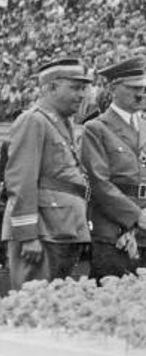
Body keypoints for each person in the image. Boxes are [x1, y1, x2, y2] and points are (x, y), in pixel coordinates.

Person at [1, 57, 93, 290]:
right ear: (51, 87)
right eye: (75, 87)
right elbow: (21, 180)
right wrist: (27, 235)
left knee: (55, 306)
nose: (82, 95)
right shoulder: (33, 120)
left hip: (61, 229)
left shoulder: (62, 122)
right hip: (41, 234)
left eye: (83, 88)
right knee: (35, 306)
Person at [80, 57, 146, 278]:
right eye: (133, 88)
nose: (140, 94)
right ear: (113, 88)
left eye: (143, 88)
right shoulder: (96, 129)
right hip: (115, 233)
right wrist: (135, 217)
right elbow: (99, 183)